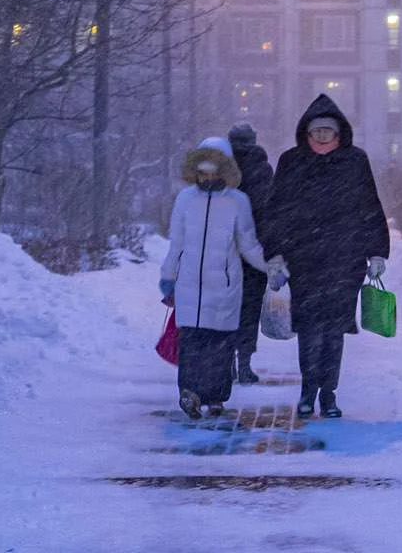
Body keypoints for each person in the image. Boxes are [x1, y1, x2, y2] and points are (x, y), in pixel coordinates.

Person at [262, 94, 389, 419]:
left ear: (338, 132)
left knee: (333, 332)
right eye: (316, 130)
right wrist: (274, 253)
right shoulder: (292, 161)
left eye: (327, 130)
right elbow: (276, 210)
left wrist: (376, 251)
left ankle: (328, 395)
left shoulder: (354, 161)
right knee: (308, 330)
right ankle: (307, 392)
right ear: (307, 132)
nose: (321, 135)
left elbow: (369, 207)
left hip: (344, 261)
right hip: (304, 259)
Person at [159, 136, 282, 420]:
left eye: (214, 171)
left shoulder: (238, 202)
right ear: (196, 172)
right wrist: (168, 276)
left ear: (225, 171)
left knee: (220, 345)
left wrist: (270, 266)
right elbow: (176, 243)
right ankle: (189, 393)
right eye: (203, 171)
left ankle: (216, 397)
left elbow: (248, 244)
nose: (208, 177)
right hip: (190, 285)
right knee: (191, 344)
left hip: (224, 286)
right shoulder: (185, 200)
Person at [226, 122, 276, 384]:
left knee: (224, 309)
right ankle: (244, 362)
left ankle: (225, 362)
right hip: (254, 251)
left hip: (222, 251)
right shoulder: (263, 169)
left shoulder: (221, 169)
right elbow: (268, 211)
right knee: (249, 309)